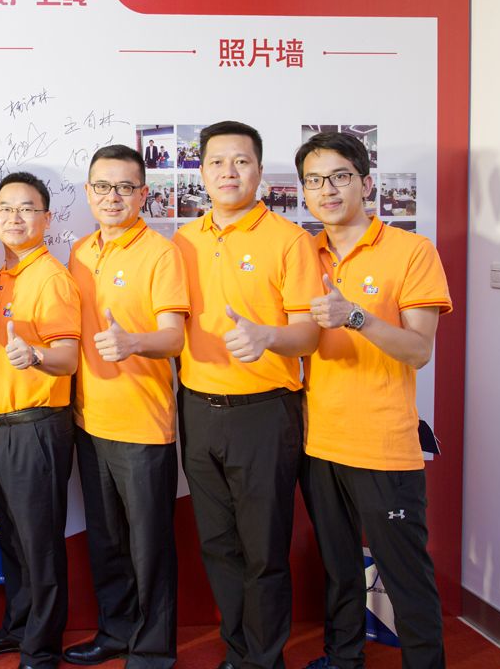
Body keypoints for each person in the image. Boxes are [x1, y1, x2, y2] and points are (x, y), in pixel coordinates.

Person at [296, 133, 451, 669]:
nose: (327, 189)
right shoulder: (304, 252)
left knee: (404, 573)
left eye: (340, 176)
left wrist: (355, 316)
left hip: (384, 443)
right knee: (339, 569)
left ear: (365, 183)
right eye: (314, 180)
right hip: (319, 440)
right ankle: (343, 660)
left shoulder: (411, 251)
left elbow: (419, 350)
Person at [171, 121, 322, 669]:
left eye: (241, 161)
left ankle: (263, 658)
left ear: (259, 170)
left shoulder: (289, 240)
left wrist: (268, 337)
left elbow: (310, 334)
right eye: (217, 162)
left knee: (263, 549)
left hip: (264, 412)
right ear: (201, 171)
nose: (228, 172)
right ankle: (238, 651)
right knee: (217, 543)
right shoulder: (183, 240)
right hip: (197, 408)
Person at [65, 145, 189, 669]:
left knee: (149, 546)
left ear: (143, 194)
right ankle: (115, 632)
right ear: (88, 192)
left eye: (124, 187)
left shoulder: (161, 253)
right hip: (88, 420)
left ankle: (153, 650)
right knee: (107, 540)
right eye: (102, 186)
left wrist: (133, 343)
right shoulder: (79, 251)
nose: (112, 197)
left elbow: (175, 337)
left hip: (143, 424)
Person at [0, 172, 81, 669]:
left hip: (36, 425)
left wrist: (35, 355)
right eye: (5, 209)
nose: (14, 218)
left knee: (39, 541)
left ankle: (42, 646)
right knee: (13, 537)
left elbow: (68, 358)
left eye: (26, 209)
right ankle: (18, 627)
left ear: (47, 218)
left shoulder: (51, 278)